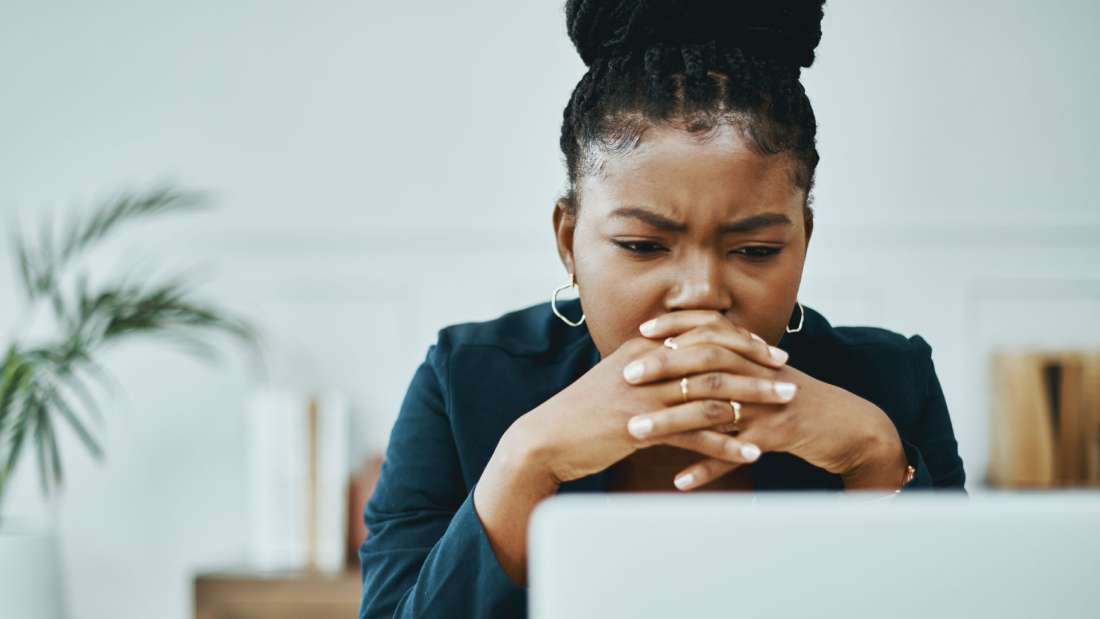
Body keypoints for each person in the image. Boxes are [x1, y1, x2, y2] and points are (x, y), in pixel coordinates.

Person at [358, 1, 966, 617]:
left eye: (755, 250)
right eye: (644, 246)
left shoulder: (891, 384)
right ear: (569, 240)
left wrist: (875, 462)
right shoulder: (463, 382)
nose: (701, 293)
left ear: (803, 242)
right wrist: (526, 463)